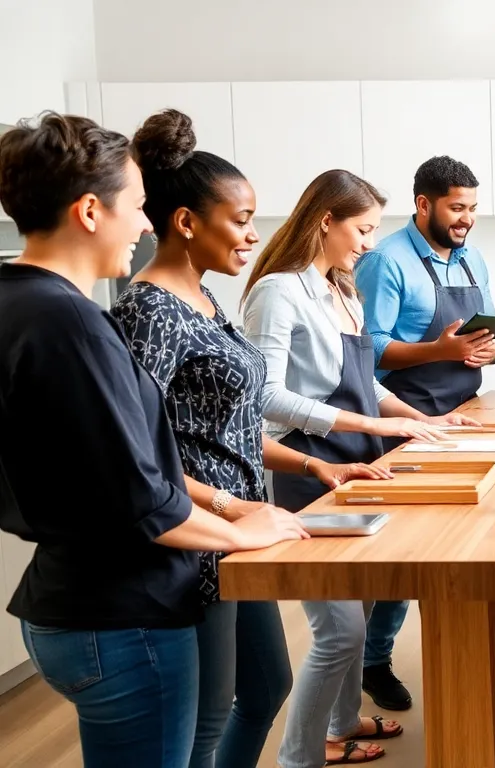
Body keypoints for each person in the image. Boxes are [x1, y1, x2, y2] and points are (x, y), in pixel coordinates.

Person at [0, 112, 307, 768]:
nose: (146, 223)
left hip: (67, 596)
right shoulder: (73, 323)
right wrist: (242, 528)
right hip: (122, 614)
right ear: (90, 210)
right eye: (138, 207)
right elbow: (137, 493)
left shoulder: (16, 303)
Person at [114, 109, 397, 768]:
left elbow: (232, 428)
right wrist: (231, 508)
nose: (252, 235)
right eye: (240, 220)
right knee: (209, 717)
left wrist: (314, 466)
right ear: (186, 222)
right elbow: (137, 455)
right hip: (200, 542)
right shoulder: (150, 312)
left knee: (266, 685)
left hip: (242, 537)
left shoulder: (205, 304)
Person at [243, 170, 471, 767]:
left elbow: (365, 384)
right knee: (339, 629)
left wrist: (421, 419)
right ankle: (301, 755)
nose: (371, 242)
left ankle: (341, 723)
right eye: (363, 228)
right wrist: (375, 425)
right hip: (310, 471)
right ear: (326, 221)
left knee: (361, 607)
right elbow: (264, 398)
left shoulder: (341, 288)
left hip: (358, 467)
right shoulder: (278, 291)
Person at [352, 156, 495, 707]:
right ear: (423, 205)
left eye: (472, 209)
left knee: (467, 540)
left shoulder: (472, 260)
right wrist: (443, 349)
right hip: (405, 416)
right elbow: (367, 349)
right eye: (457, 208)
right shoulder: (386, 260)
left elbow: (485, 332)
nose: (466, 220)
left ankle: (460, 650)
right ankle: (373, 660)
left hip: (464, 410)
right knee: (408, 552)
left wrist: (491, 347)